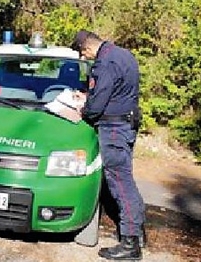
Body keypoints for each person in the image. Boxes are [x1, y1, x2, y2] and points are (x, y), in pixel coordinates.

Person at [71, 30, 145, 260]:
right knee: (125, 179)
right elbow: (118, 92)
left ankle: (130, 245)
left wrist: (83, 108)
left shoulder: (104, 62)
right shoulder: (124, 55)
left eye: (83, 54)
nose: (85, 59)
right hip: (126, 124)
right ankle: (137, 233)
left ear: (87, 47)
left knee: (121, 183)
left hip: (113, 129)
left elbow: (98, 103)